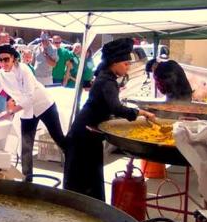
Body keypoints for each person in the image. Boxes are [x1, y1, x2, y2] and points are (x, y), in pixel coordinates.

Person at [64, 38, 156, 201]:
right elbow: (116, 108)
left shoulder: (106, 78)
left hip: (87, 131)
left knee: (86, 175)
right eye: (126, 64)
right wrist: (141, 113)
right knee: (85, 177)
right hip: (84, 135)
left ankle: (86, 208)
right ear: (114, 63)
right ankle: (84, 210)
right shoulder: (107, 81)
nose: (128, 68)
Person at [0, 44, 66, 180]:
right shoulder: (0, 74)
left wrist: (10, 112)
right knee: (26, 146)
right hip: (27, 110)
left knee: (59, 138)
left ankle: (72, 169)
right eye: (0, 60)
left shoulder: (24, 70)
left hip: (44, 105)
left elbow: (29, 97)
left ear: (14, 59)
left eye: (6, 59)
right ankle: (28, 180)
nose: (3, 63)